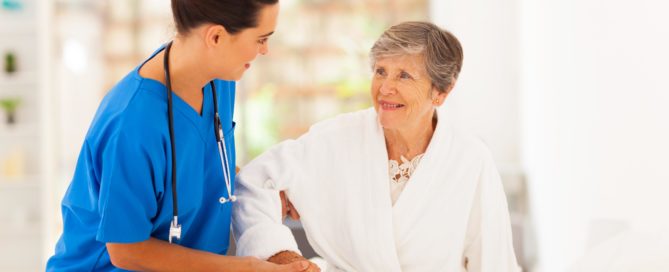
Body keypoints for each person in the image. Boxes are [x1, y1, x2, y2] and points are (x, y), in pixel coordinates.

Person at [46, 0, 316, 271]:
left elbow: (201, 163)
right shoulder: (133, 123)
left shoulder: (219, 78)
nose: (265, 50)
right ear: (217, 36)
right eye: (260, 39)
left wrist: (260, 191)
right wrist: (243, 268)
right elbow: (126, 251)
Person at [233, 21, 521, 271]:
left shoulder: (470, 159)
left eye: (404, 76)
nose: (385, 88)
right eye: (381, 71)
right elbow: (254, 183)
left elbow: (492, 260)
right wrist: (280, 254)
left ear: (441, 92)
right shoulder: (336, 137)